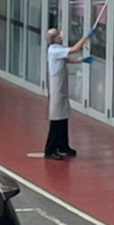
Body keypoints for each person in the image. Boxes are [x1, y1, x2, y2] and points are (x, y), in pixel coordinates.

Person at [44, 26, 92, 159]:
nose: (61, 37)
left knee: (63, 117)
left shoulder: (57, 49)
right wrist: (86, 36)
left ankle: (63, 146)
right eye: (58, 36)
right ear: (54, 39)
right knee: (56, 120)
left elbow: (67, 59)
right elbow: (74, 49)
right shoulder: (54, 50)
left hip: (62, 88)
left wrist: (81, 60)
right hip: (56, 89)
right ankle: (50, 149)